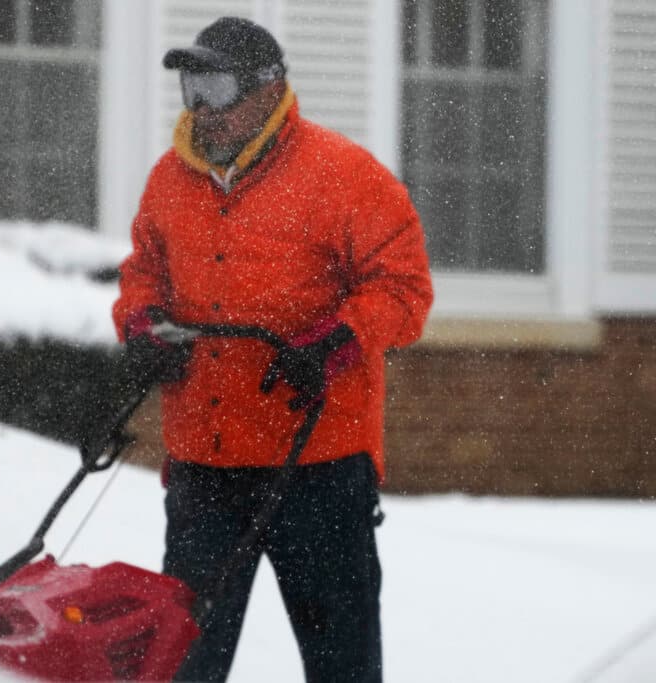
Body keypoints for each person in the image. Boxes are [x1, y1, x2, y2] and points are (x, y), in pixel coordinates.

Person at [111, 16, 434, 683]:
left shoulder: (345, 176)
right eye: (189, 83)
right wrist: (143, 329)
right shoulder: (169, 182)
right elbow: (142, 273)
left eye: (216, 84)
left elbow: (405, 290)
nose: (200, 105)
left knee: (341, 664)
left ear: (267, 89)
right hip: (206, 466)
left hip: (316, 468)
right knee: (184, 665)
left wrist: (332, 344)